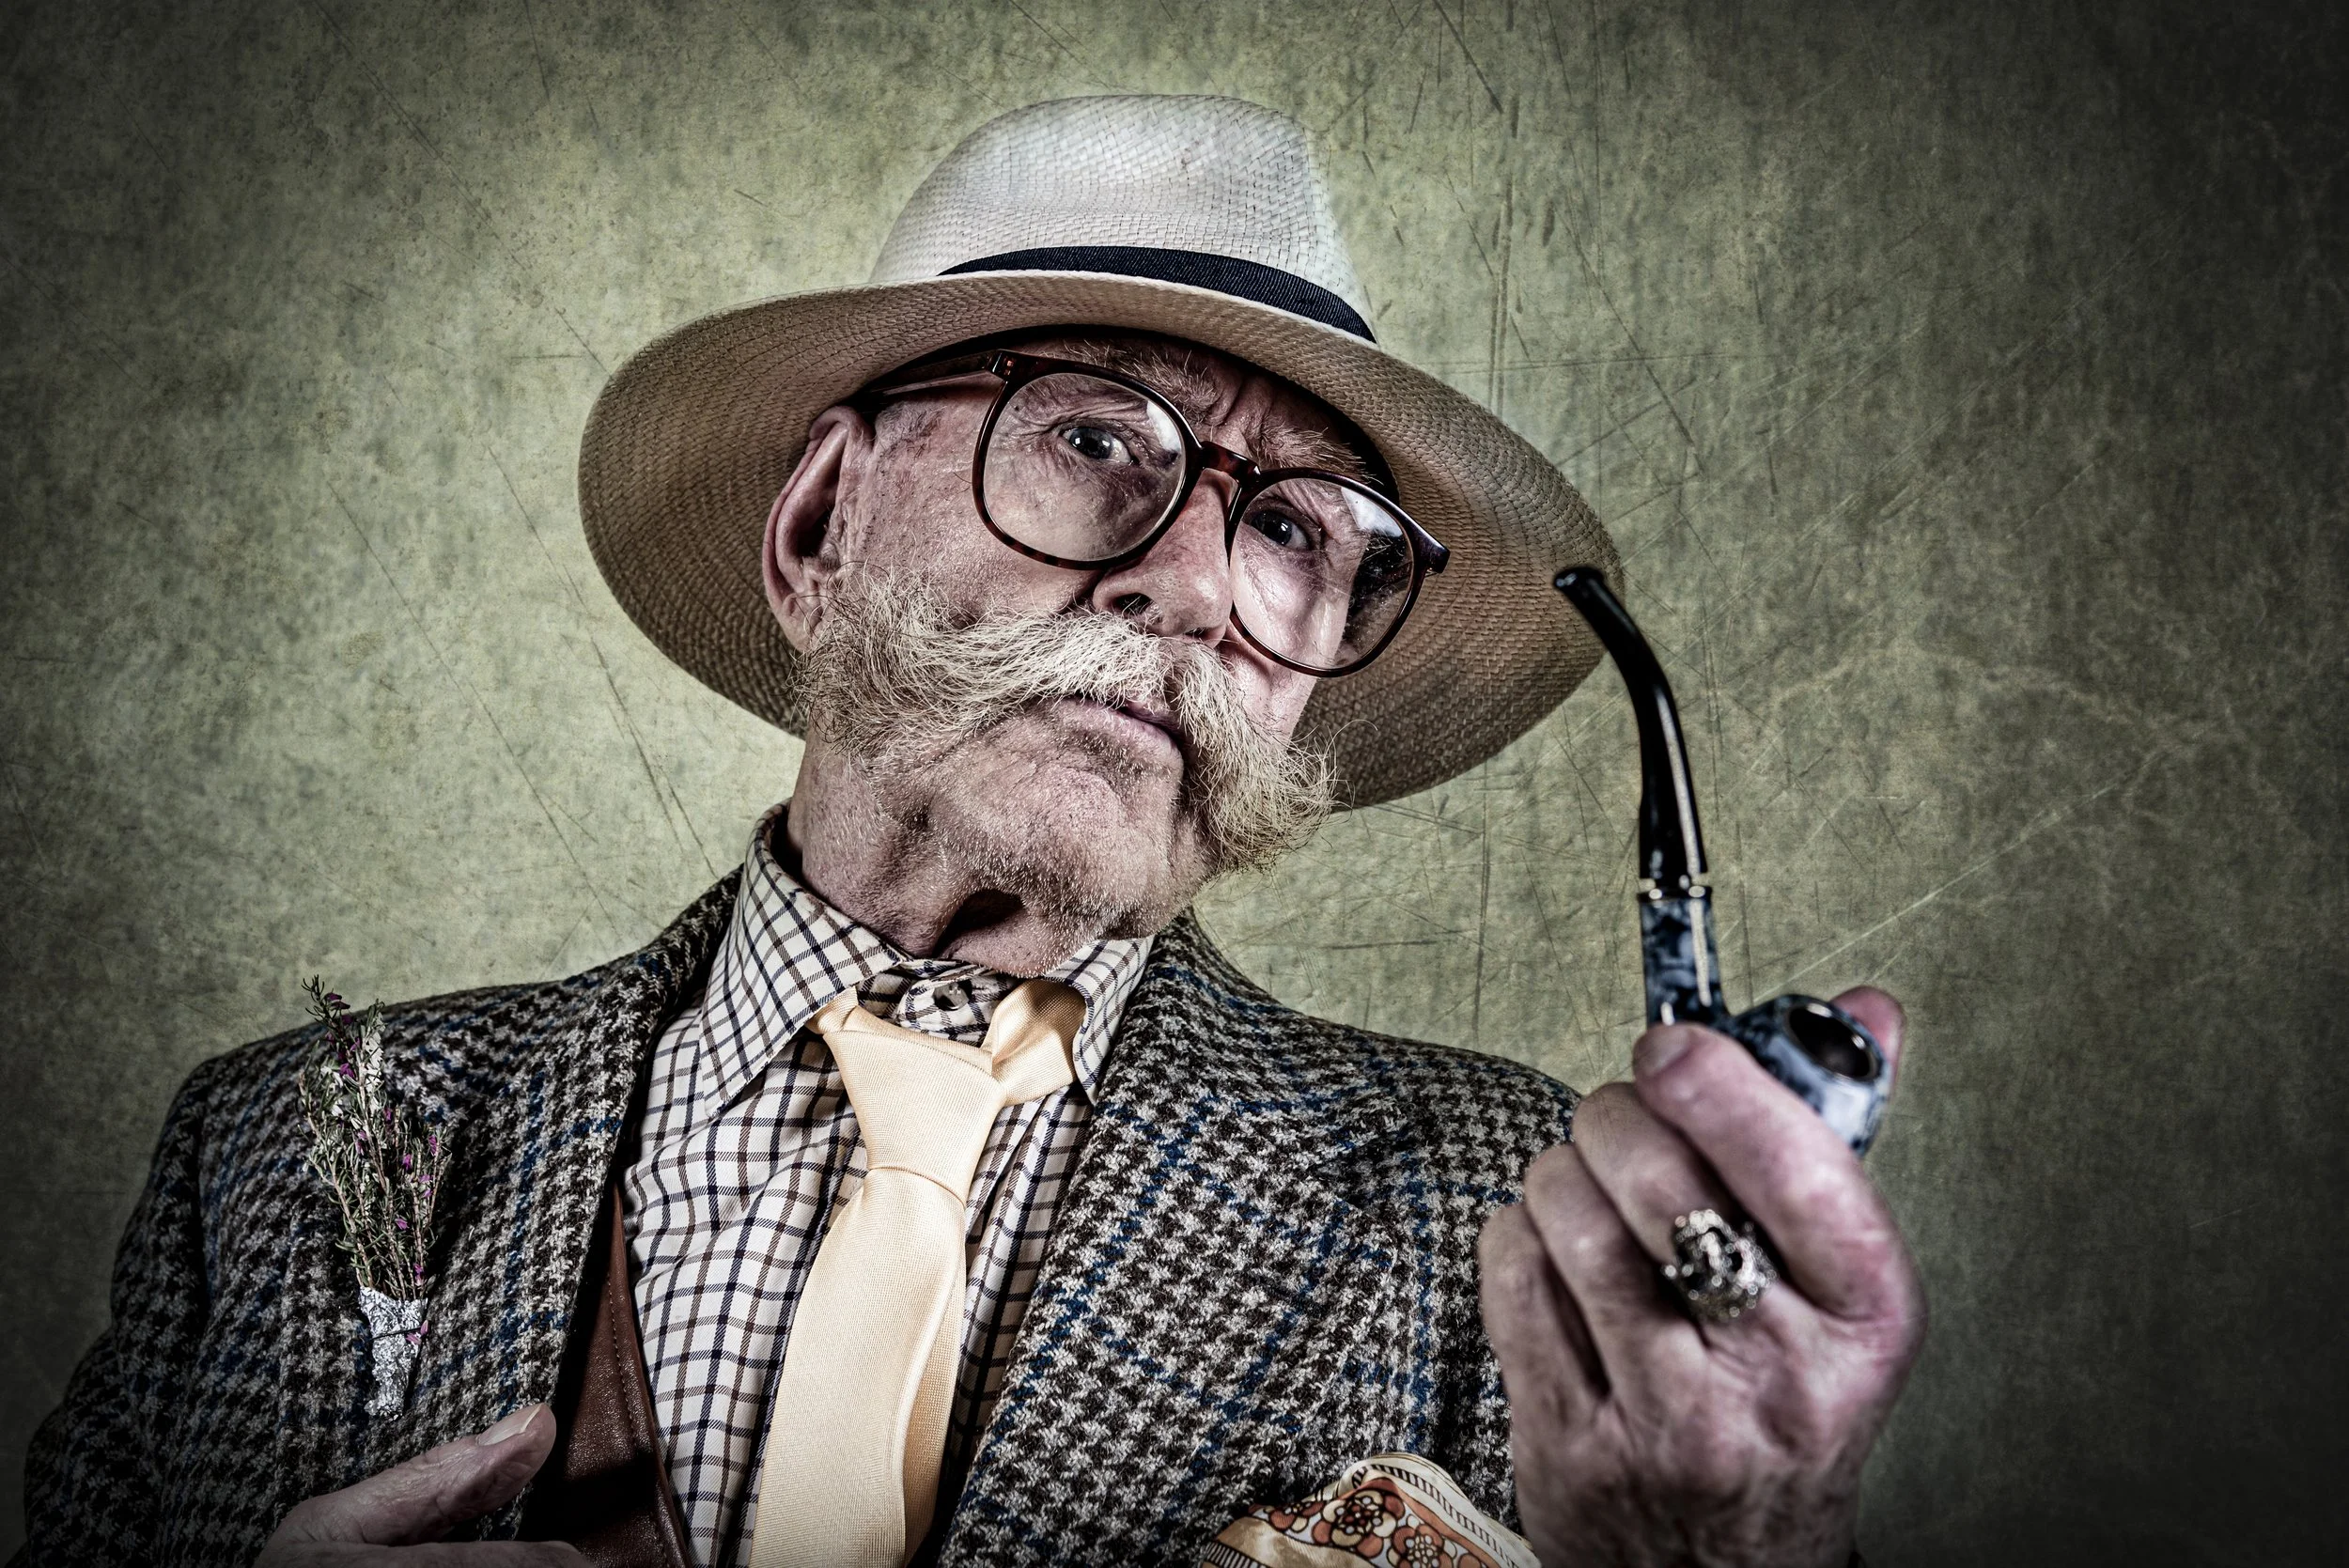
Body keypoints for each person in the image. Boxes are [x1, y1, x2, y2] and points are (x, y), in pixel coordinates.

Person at [17, 95, 1924, 1568]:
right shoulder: (275, 1152)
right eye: (1096, 437)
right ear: (819, 524)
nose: (1199, 586)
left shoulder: (1514, 1218)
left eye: (1291, 530)